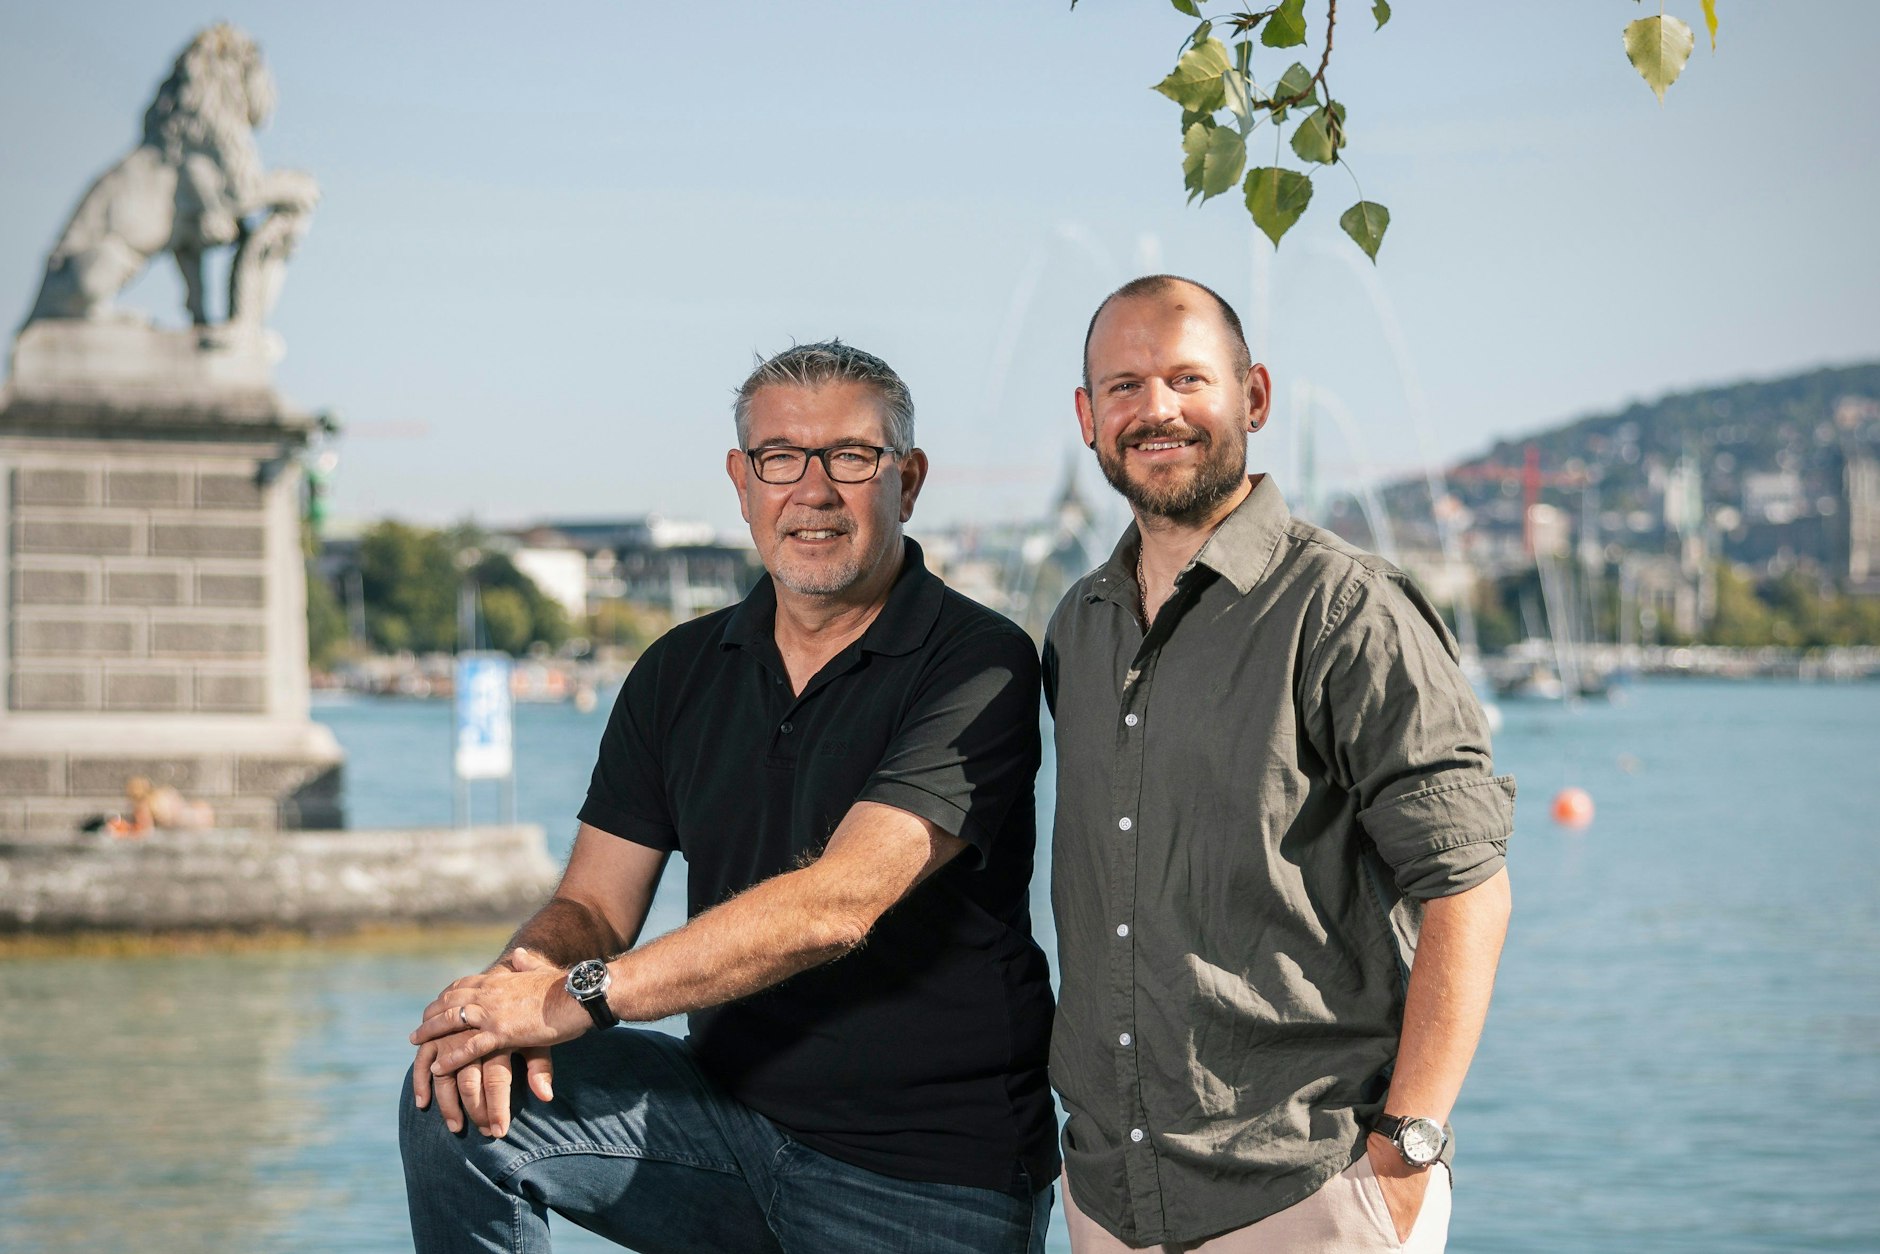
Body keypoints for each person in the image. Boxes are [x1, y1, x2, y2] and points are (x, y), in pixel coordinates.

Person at [399, 341, 1058, 1253]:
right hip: (719, 1129)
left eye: (852, 459)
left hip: (928, 1176)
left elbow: (838, 903)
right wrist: (507, 997)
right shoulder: (680, 669)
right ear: (743, 484)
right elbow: (592, 903)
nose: (814, 490)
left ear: (908, 482)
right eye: (781, 458)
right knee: (458, 1093)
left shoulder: (978, 661)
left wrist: (576, 998)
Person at [1044, 276, 1516, 1252]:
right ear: (1088, 418)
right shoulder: (1077, 627)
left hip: (1306, 1199)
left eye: (1186, 378)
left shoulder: (1346, 610)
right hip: (1109, 1204)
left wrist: (1402, 1156)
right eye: (1122, 386)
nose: (1155, 409)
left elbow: (1466, 892)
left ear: (1252, 396)